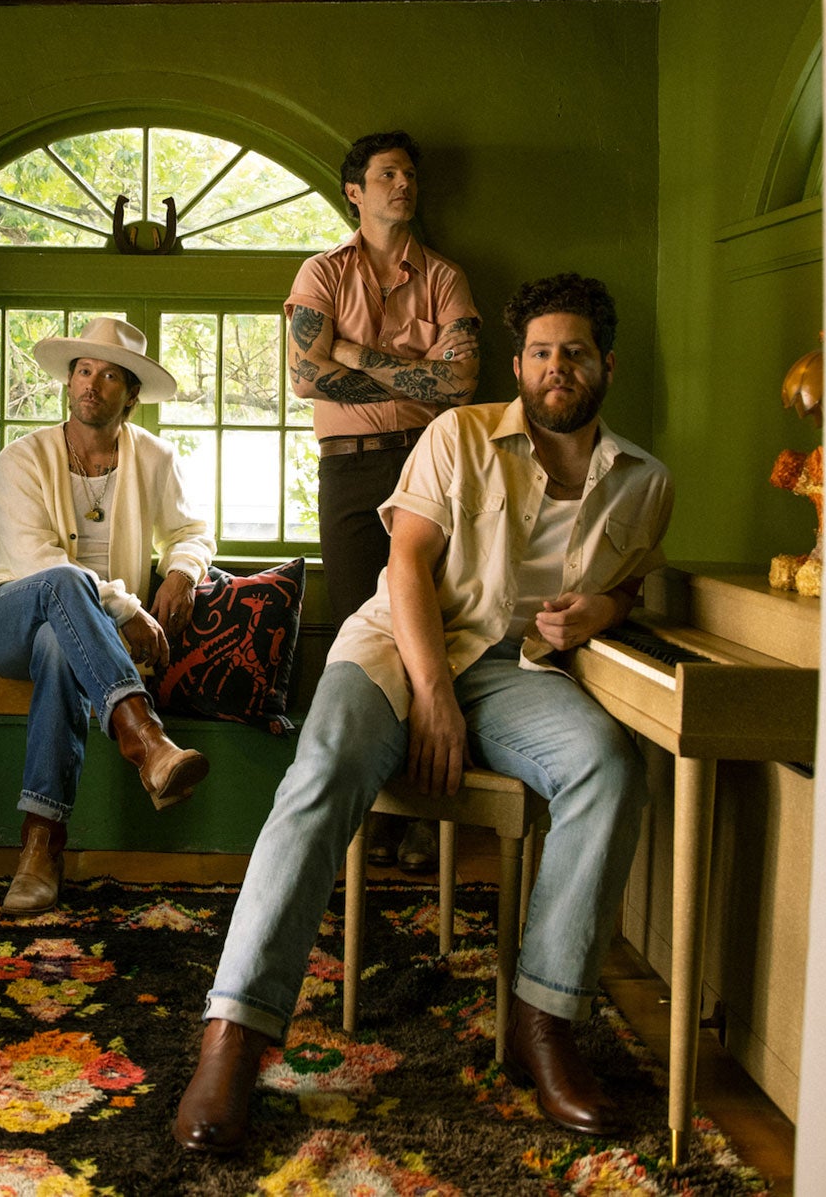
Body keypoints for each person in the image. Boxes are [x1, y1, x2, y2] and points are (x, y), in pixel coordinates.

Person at [175, 273, 672, 1152]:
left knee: (608, 765)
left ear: (607, 365)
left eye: (575, 353)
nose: (557, 367)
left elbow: (627, 583)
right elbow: (405, 562)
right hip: (398, 647)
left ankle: (544, 1021)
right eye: (541, 352)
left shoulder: (644, 482)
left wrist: (603, 608)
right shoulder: (458, 435)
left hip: (515, 671)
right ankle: (236, 1033)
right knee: (325, 765)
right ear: (518, 365)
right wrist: (432, 694)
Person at [0, 316, 216, 912]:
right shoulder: (21, 459)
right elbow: (36, 561)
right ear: (69, 380)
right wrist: (126, 609)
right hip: (5, 617)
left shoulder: (155, 457)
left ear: (131, 395)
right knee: (62, 582)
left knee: (61, 646)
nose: (90, 384)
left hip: (75, 637)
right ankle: (147, 740)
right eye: (82, 371)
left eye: (108, 376)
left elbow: (191, 531)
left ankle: (40, 846)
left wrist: (182, 572)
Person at [286, 131, 482, 876]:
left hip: (432, 464)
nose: (404, 184)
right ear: (355, 192)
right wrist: (411, 371)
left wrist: (352, 353)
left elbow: (459, 383)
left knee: (431, 629)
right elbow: (305, 376)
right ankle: (369, 809)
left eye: (410, 173)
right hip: (350, 469)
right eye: (387, 173)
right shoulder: (322, 273)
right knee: (359, 638)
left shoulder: (445, 277)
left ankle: (425, 813)